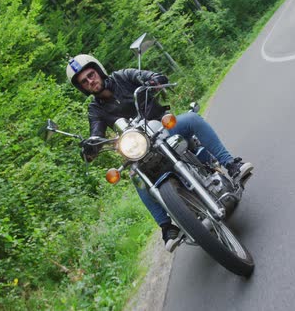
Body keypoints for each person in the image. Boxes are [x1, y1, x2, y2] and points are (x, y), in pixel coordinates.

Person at [66, 54, 253, 251]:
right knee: (136, 177)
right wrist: (90, 147)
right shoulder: (95, 110)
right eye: (84, 81)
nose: (90, 81)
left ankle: (231, 165)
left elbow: (142, 75)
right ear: (82, 88)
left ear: (99, 70)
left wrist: (153, 79)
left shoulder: (123, 76)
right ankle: (166, 227)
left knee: (192, 120)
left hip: (161, 127)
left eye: (91, 75)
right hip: (138, 146)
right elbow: (96, 132)